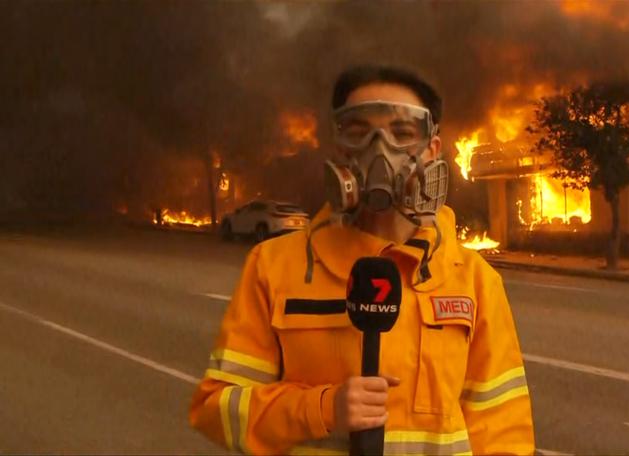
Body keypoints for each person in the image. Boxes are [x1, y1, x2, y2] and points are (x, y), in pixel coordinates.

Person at [189, 64, 535, 455]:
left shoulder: (474, 282)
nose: (380, 150)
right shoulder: (275, 266)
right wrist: (323, 409)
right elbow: (216, 409)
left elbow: (503, 435)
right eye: (359, 132)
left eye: (402, 133)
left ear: (432, 151)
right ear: (339, 148)